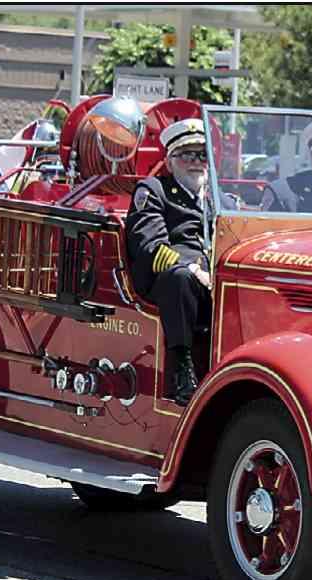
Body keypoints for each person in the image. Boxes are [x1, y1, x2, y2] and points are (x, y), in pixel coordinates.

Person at [124, 118, 215, 406]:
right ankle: (182, 370)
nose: (196, 162)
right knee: (180, 279)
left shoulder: (220, 199)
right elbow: (151, 247)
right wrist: (193, 268)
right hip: (168, 281)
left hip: (212, 279)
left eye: (202, 155)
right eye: (186, 155)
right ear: (169, 161)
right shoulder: (153, 190)